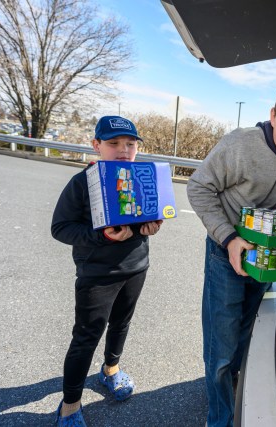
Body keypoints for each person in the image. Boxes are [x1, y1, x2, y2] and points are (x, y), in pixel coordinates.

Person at [187, 76, 276, 427]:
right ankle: (219, 418)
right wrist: (228, 238)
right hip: (227, 250)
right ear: (272, 114)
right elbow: (198, 188)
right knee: (221, 347)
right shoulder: (241, 144)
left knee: (247, 332)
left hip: (268, 258)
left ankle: (230, 382)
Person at [51, 115, 163, 426]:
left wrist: (150, 227)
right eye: (113, 143)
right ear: (96, 145)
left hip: (136, 266)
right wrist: (100, 236)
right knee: (86, 336)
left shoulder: (141, 177)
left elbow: (146, 218)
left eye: (130, 144)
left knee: (121, 324)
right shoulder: (83, 181)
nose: (123, 150)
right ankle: (70, 404)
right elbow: (60, 228)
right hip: (97, 274)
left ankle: (110, 369)